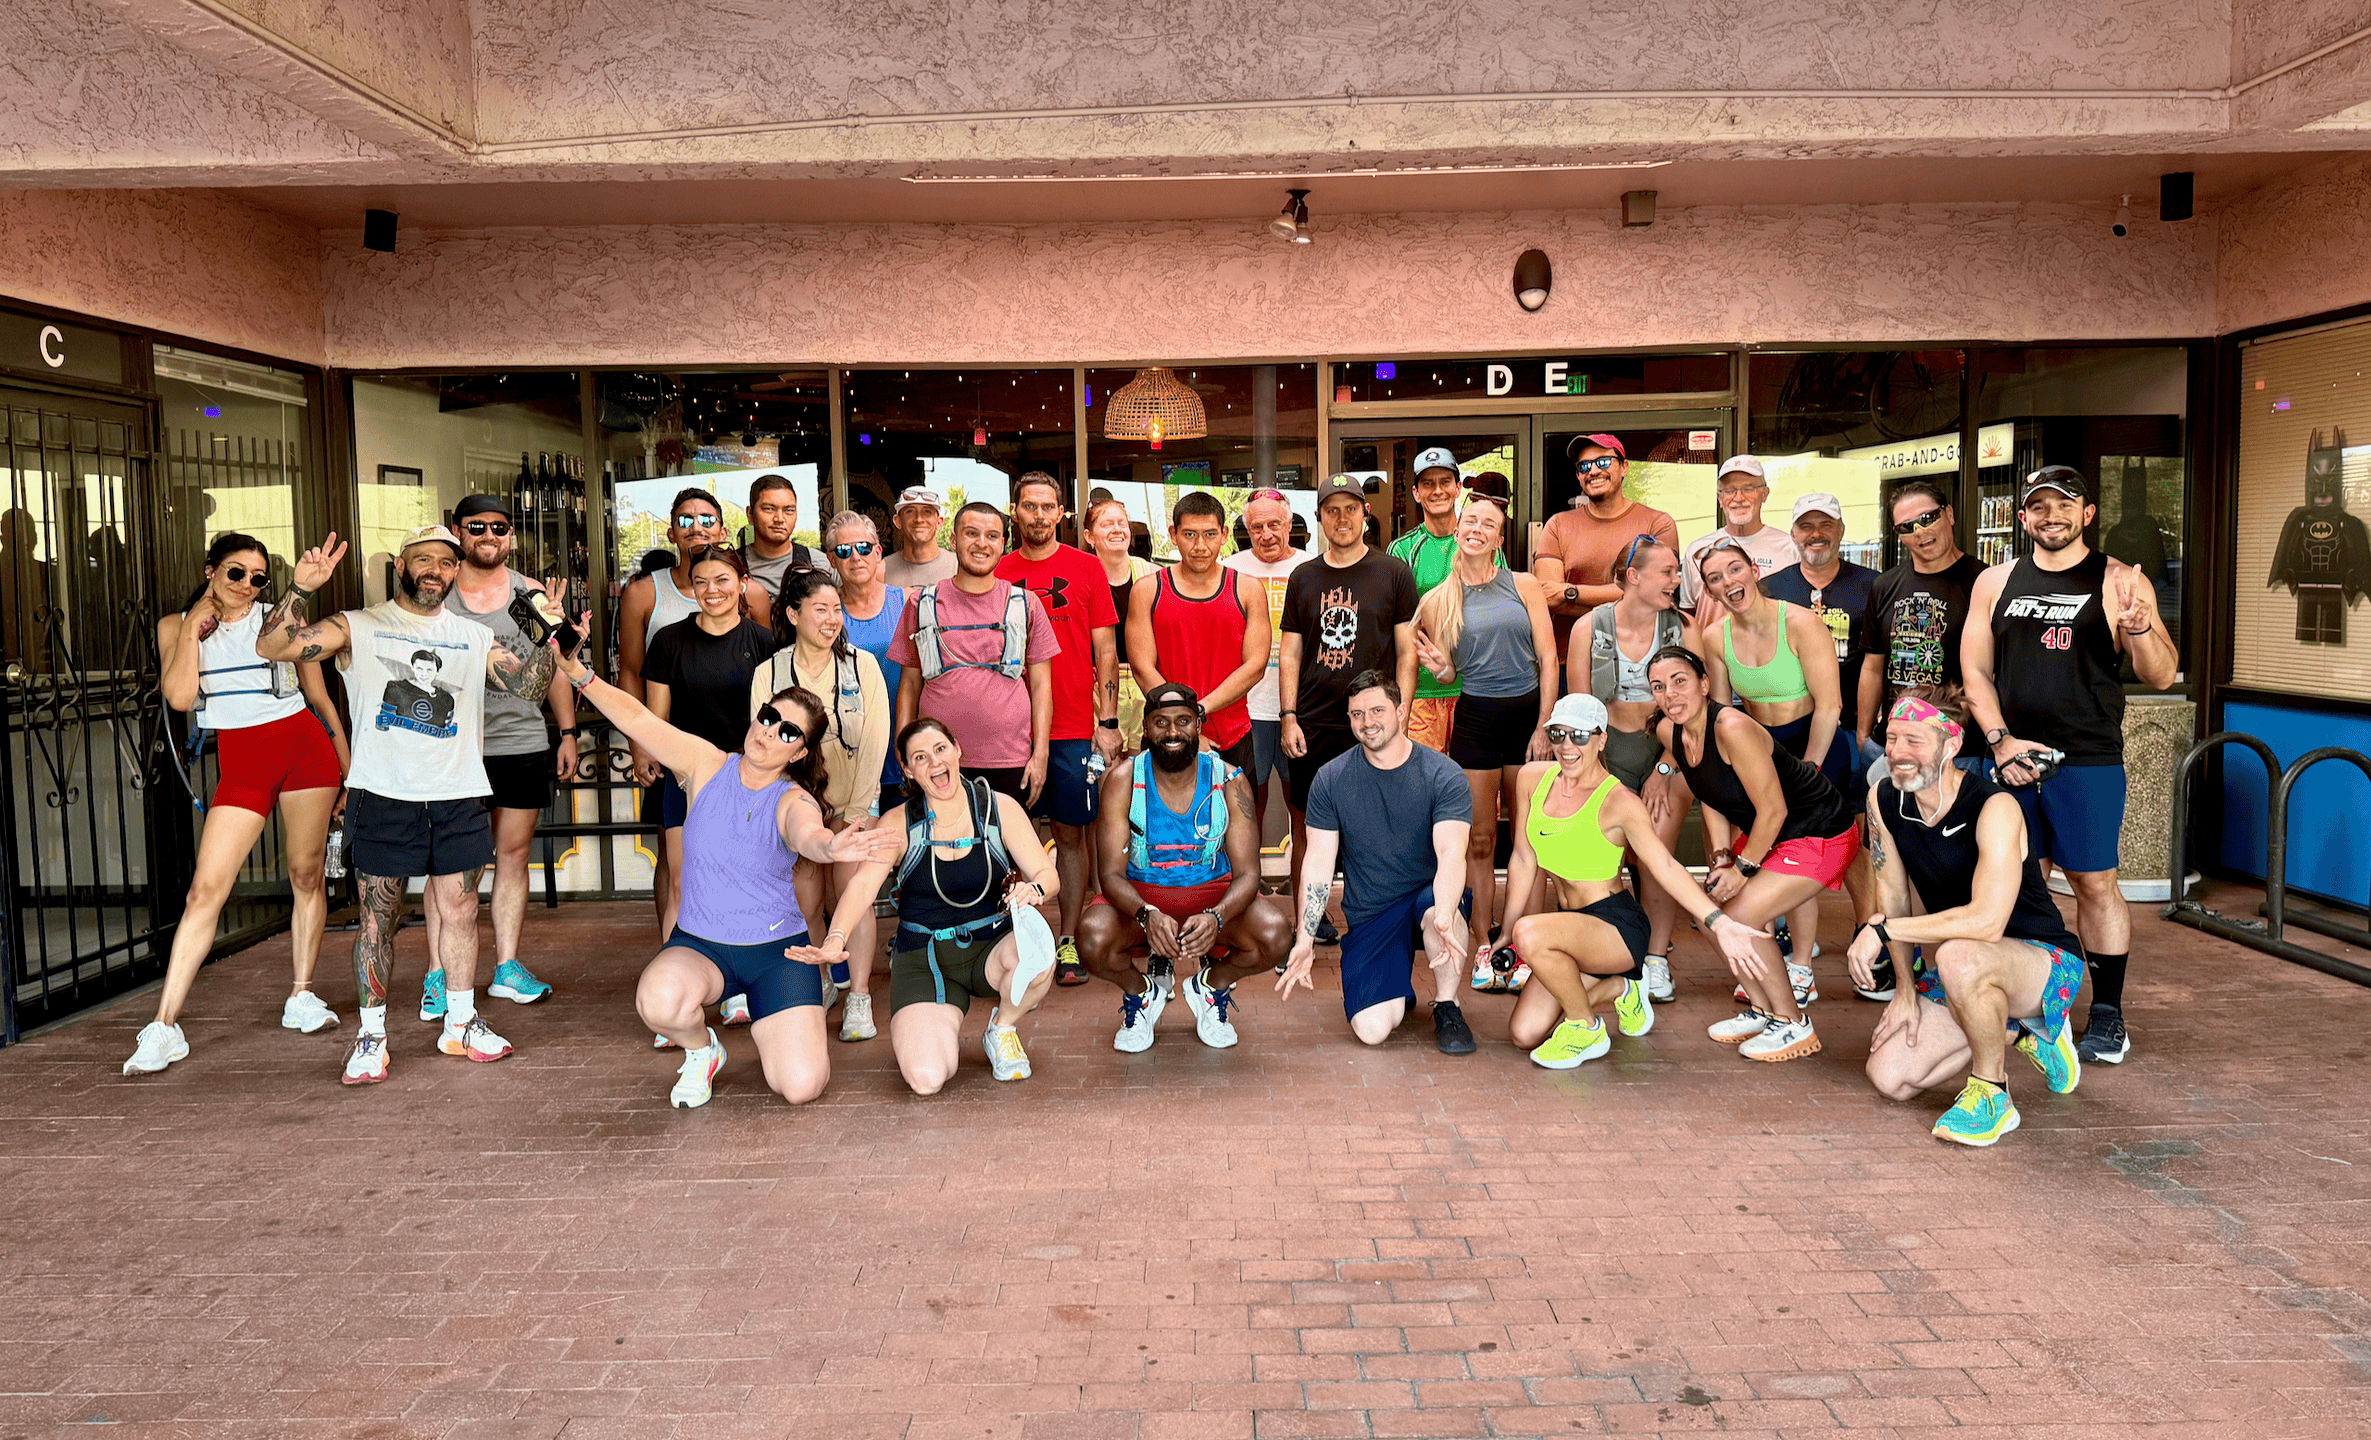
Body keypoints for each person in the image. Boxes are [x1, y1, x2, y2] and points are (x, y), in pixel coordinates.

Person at [253, 527, 560, 1085]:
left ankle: (461, 1023)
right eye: (424, 560)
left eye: (446, 562)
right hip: (384, 794)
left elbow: (531, 688)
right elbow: (272, 647)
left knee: (462, 910)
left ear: (455, 571)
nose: (435, 571)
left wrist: (549, 634)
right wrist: (298, 589)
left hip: (458, 793)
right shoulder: (359, 625)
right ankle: (372, 1034)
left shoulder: (470, 636)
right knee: (379, 919)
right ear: (402, 565)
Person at [554, 647, 902, 1108]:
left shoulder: (793, 800)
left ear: (799, 751)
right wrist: (579, 673)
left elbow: (809, 836)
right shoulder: (705, 763)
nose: (769, 731)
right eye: (768, 715)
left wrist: (832, 847)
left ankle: (773, 1021)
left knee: (801, 1087)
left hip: (778, 954)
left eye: (788, 731)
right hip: (702, 944)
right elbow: (638, 720)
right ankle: (702, 1051)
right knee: (657, 1001)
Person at [1961, 465, 2177, 1067]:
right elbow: (1976, 672)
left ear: (2087, 513)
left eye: (2065, 505)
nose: (2051, 516)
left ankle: (2107, 1013)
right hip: (2009, 758)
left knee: (2093, 883)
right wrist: (2001, 742)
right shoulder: (1995, 581)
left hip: (2087, 758)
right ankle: (2035, 1000)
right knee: (2015, 882)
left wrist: (2142, 630)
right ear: (2022, 517)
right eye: (2039, 507)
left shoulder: (2119, 582)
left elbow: (2159, 673)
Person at [124, 534, 351, 1075]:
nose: (247, 586)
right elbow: (180, 698)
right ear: (210, 571)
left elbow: (317, 696)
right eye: (235, 573)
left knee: (305, 875)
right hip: (243, 759)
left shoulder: (280, 618)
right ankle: (163, 1026)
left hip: (304, 749)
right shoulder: (175, 626)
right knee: (206, 888)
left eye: (258, 577)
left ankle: (301, 994)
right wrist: (195, 624)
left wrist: (349, 764)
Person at [1853, 690, 2088, 1147]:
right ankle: (2020, 1031)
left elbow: (1986, 924)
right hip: (1964, 967)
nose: (1898, 752)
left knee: (1960, 955)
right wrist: (1903, 990)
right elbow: (1894, 897)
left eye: (1915, 741)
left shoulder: (1994, 806)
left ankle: (1991, 1094)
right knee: (1890, 1077)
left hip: (2042, 960)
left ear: (1951, 745)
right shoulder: (1883, 798)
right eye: (1893, 738)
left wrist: (1879, 930)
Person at [1492, 694, 1766, 1069]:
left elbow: (1666, 867)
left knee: (1531, 932)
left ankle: (1585, 1027)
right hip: (1565, 929)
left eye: (1579, 736)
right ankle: (1625, 988)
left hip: (1614, 929)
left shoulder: (1619, 801)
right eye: (1558, 734)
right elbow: (1524, 858)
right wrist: (1506, 932)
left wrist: (1719, 923)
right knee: (1524, 1033)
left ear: (1602, 739)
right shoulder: (1531, 780)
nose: (1567, 746)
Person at [794, 718, 1063, 1093]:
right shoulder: (898, 822)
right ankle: (938, 1026)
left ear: (957, 750)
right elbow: (862, 886)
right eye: (920, 757)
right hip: (925, 958)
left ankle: (1002, 1028)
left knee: (1037, 950)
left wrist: (1034, 889)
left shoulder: (998, 808)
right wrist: (835, 938)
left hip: (993, 949)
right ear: (907, 770)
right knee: (926, 1078)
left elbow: (1048, 877)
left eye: (940, 749)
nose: (935, 763)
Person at [1649, 645, 1862, 1063]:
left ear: (1705, 684)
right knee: (1708, 917)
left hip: (1820, 830)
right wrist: (1724, 858)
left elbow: (1774, 809)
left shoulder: (1731, 726)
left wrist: (1743, 869)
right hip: (1774, 834)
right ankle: (1765, 1010)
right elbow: (1708, 792)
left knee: (1739, 917)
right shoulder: (1668, 732)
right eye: (1658, 687)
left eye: (1680, 682)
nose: (1670, 695)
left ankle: (1794, 1023)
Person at [423, 493, 579, 1020]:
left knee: (511, 856)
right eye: (477, 527)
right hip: (452, 744)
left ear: (510, 534)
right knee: (448, 864)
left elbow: (550, 664)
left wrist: (568, 731)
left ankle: (507, 967)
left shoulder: (527, 594)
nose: (489, 536)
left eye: (499, 527)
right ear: (457, 531)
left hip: (520, 740)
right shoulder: (439, 591)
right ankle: (439, 975)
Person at [1078, 682, 1291, 1051]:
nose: (1172, 732)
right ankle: (1141, 993)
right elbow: (1110, 874)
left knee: (1275, 936)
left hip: (1211, 895)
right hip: (1143, 898)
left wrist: (1218, 917)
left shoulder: (1229, 780)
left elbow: (1248, 874)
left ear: (1199, 726)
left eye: (1183, 721)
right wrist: (1145, 915)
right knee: (1091, 937)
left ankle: (1211, 985)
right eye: (1160, 722)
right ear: (1145, 729)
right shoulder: (1123, 780)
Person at [1276, 671, 1476, 1055]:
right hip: (1372, 910)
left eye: (1377, 710)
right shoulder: (1331, 779)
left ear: (1401, 711)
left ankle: (1448, 1005)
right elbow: (1318, 863)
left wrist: (1447, 911)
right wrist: (1304, 938)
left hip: (1427, 897)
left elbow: (1452, 853)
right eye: (1356, 714)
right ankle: (1395, 982)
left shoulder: (1443, 774)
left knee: (1438, 915)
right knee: (1372, 1030)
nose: (1367, 722)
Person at [1406, 485, 1556, 982]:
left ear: (1498, 537)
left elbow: (1549, 659)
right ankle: (1484, 941)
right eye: (1470, 521)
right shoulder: (1435, 599)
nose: (1475, 529)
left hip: (1527, 717)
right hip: (1476, 718)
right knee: (1481, 838)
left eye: (1487, 525)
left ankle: (1524, 941)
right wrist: (1444, 671)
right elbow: (1449, 676)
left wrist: (1544, 726)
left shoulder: (1524, 584)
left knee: (1531, 836)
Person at [1697, 538, 1855, 998]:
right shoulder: (1715, 638)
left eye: (1734, 570)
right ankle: (1769, 963)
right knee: (1774, 855)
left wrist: (1810, 768)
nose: (1728, 582)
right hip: (1761, 752)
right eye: (1715, 579)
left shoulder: (1801, 623)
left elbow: (1830, 705)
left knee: (1796, 850)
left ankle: (1801, 965)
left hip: (1814, 744)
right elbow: (1722, 711)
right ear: (1708, 591)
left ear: (1753, 569)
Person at [751, 568, 890, 1041]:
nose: (831, 619)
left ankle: (861, 997)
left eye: (837, 609)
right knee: (806, 902)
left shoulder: (862, 665)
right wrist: (796, 812)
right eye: (820, 610)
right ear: (793, 615)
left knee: (856, 898)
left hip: (854, 807)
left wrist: (860, 811)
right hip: (800, 808)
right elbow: (765, 745)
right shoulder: (768, 673)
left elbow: (875, 741)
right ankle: (825, 981)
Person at [1279, 474, 1419, 948]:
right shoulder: (1304, 577)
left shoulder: (1393, 573)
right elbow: (1292, 654)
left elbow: (1406, 653)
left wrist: (1400, 714)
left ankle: (1377, 922)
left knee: (1378, 830)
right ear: (1319, 517)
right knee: (1306, 829)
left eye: (1350, 509)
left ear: (1365, 514)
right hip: (1315, 722)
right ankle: (1307, 921)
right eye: (1332, 510)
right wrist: (1288, 715)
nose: (1342, 518)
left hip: (1375, 723)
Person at [996, 473, 1123, 985]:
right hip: (1008, 730)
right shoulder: (997, 570)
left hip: (1072, 725)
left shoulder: (1086, 567)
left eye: (1048, 507)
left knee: (1071, 836)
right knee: (1006, 840)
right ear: (1015, 511)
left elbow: (1106, 651)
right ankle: (1013, 940)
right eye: (1030, 506)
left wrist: (1108, 722)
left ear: (1061, 513)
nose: (1040, 515)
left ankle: (1067, 939)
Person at [1572, 535, 1705, 1002]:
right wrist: (1598, 776)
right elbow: (1581, 709)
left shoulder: (1684, 628)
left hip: (1667, 752)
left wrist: (1666, 767)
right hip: (1608, 754)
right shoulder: (1589, 627)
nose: (1677, 580)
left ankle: (1654, 961)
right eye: (1668, 571)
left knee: (1655, 857)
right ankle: (1602, 952)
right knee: (1600, 855)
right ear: (1634, 577)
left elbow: (1695, 710)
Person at [643, 548, 778, 947]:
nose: (711, 590)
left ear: (742, 584)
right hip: (685, 777)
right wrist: (680, 770)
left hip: (748, 777)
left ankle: (735, 979)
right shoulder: (670, 641)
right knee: (684, 882)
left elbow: (774, 722)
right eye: (700, 582)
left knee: (743, 879)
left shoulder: (765, 642)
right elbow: (656, 724)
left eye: (721, 580)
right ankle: (675, 971)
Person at [892, 502, 1059, 809]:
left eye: (992, 536)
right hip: (935, 759)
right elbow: (909, 685)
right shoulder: (922, 603)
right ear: (954, 540)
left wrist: (1041, 755)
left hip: (1010, 760)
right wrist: (904, 751)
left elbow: (1041, 686)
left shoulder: (1026, 604)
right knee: (941, 851)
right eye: (971, 533)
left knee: (1007, 852)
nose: (982, 543)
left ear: (1003, 545)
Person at [618, 489, 726, 935]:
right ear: (670, 532)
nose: (696, 527)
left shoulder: (746, 591)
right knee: (672, 851)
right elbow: (629, 672)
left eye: (706, 519)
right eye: (685, 520)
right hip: (669, 744)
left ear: (721, 530)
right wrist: (639, 745)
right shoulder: (645, 592)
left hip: (732, 746)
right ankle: (674, 950)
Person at [1128, 490, 1269, 777]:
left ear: (1224, 534)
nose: (1200, 545)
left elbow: (1255, 666)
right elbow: (1142, 667)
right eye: (1190, 534)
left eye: (1209, 534)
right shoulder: (1146, 590)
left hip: (1232, 733)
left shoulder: (1248, 589)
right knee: (1162, 822)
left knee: (1239, 819)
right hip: (1166, 735)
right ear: (1173, 534)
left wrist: (1197, 712)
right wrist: (1181, 723)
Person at [1856, 480, 1987, 769]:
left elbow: (1995, 673)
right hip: (1889, 745)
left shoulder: (1985, 581)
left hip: (1956, 750)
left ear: (1949, 515)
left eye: (1928, 518)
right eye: (1906, 526)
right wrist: (1865, 736)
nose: (1920, 532)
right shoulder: (1885, 585)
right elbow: (1873, 666)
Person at [1534, 433, 1680, 656]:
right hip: (1570, 657)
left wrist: (1571, 592)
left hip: (1641, 659)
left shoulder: (1657, 523)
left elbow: (1654, 592)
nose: (1593, 471)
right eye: (1584, 466)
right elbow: (1550, 597)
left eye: (1603, 462)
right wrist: (1627, 597)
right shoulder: (1558, 525)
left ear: (1624, 468)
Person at [1221, 488, 1310, 840]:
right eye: (1257, 527)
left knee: (1300, 805)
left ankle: (1303, 890)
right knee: (1246, 805)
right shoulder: (1229, 569)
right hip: (1246, 706)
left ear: (1289, 524)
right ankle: (1247, 887)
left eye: (1275, 524)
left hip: (1299, 706)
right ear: (1247, 530)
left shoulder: (1311, 566)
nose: (1267, 535)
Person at [1387, 446, 1467, 752]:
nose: (1437, 491)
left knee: (1476, 790)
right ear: (1416, 493)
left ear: (1458, 488)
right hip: (1421, 691)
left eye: (1445, 481)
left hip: (1471, 688)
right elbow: (1400, 627)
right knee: (1421, 786)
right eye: (1428, 484)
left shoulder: (1479, 542)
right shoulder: (1403, 549)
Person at [826, 509, 907, 803]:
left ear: (878, 553)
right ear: (831, 559)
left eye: (863, 548)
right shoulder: (825, 611)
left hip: (902, 747)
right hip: (849, 753)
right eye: (844, 551)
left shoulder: (908, 600)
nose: (855, 557)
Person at [1679, 456, 1800, 625]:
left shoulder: (1790, 547)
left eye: (1748, 489)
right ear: (1720, 499)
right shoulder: (1697, 551)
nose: (1739, 498)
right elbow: (1688, 617)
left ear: (1764, 494)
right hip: (1712, 650)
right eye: (1729, 491)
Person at [1088, 497, 1158, 738]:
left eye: (1122, 523)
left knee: (1141, 770)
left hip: (1145, 685)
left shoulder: (1153, 574)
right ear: (1089, 536)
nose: (1117, 529)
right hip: (1096, 692)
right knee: (1107, 769)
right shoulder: (1080, 576)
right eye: (1107, 524)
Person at [736, 473, 829, 623]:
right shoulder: (731, 566)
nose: (779, 519)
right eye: (769, 509)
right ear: (750, 514)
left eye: (789, 510)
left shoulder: (819, 564)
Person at [882, 485, 957, 589]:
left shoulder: (958, 567)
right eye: (910, 512)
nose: (919, 519)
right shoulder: (881, 569)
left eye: (927, 512)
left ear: (939, 522)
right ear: (898, 521)